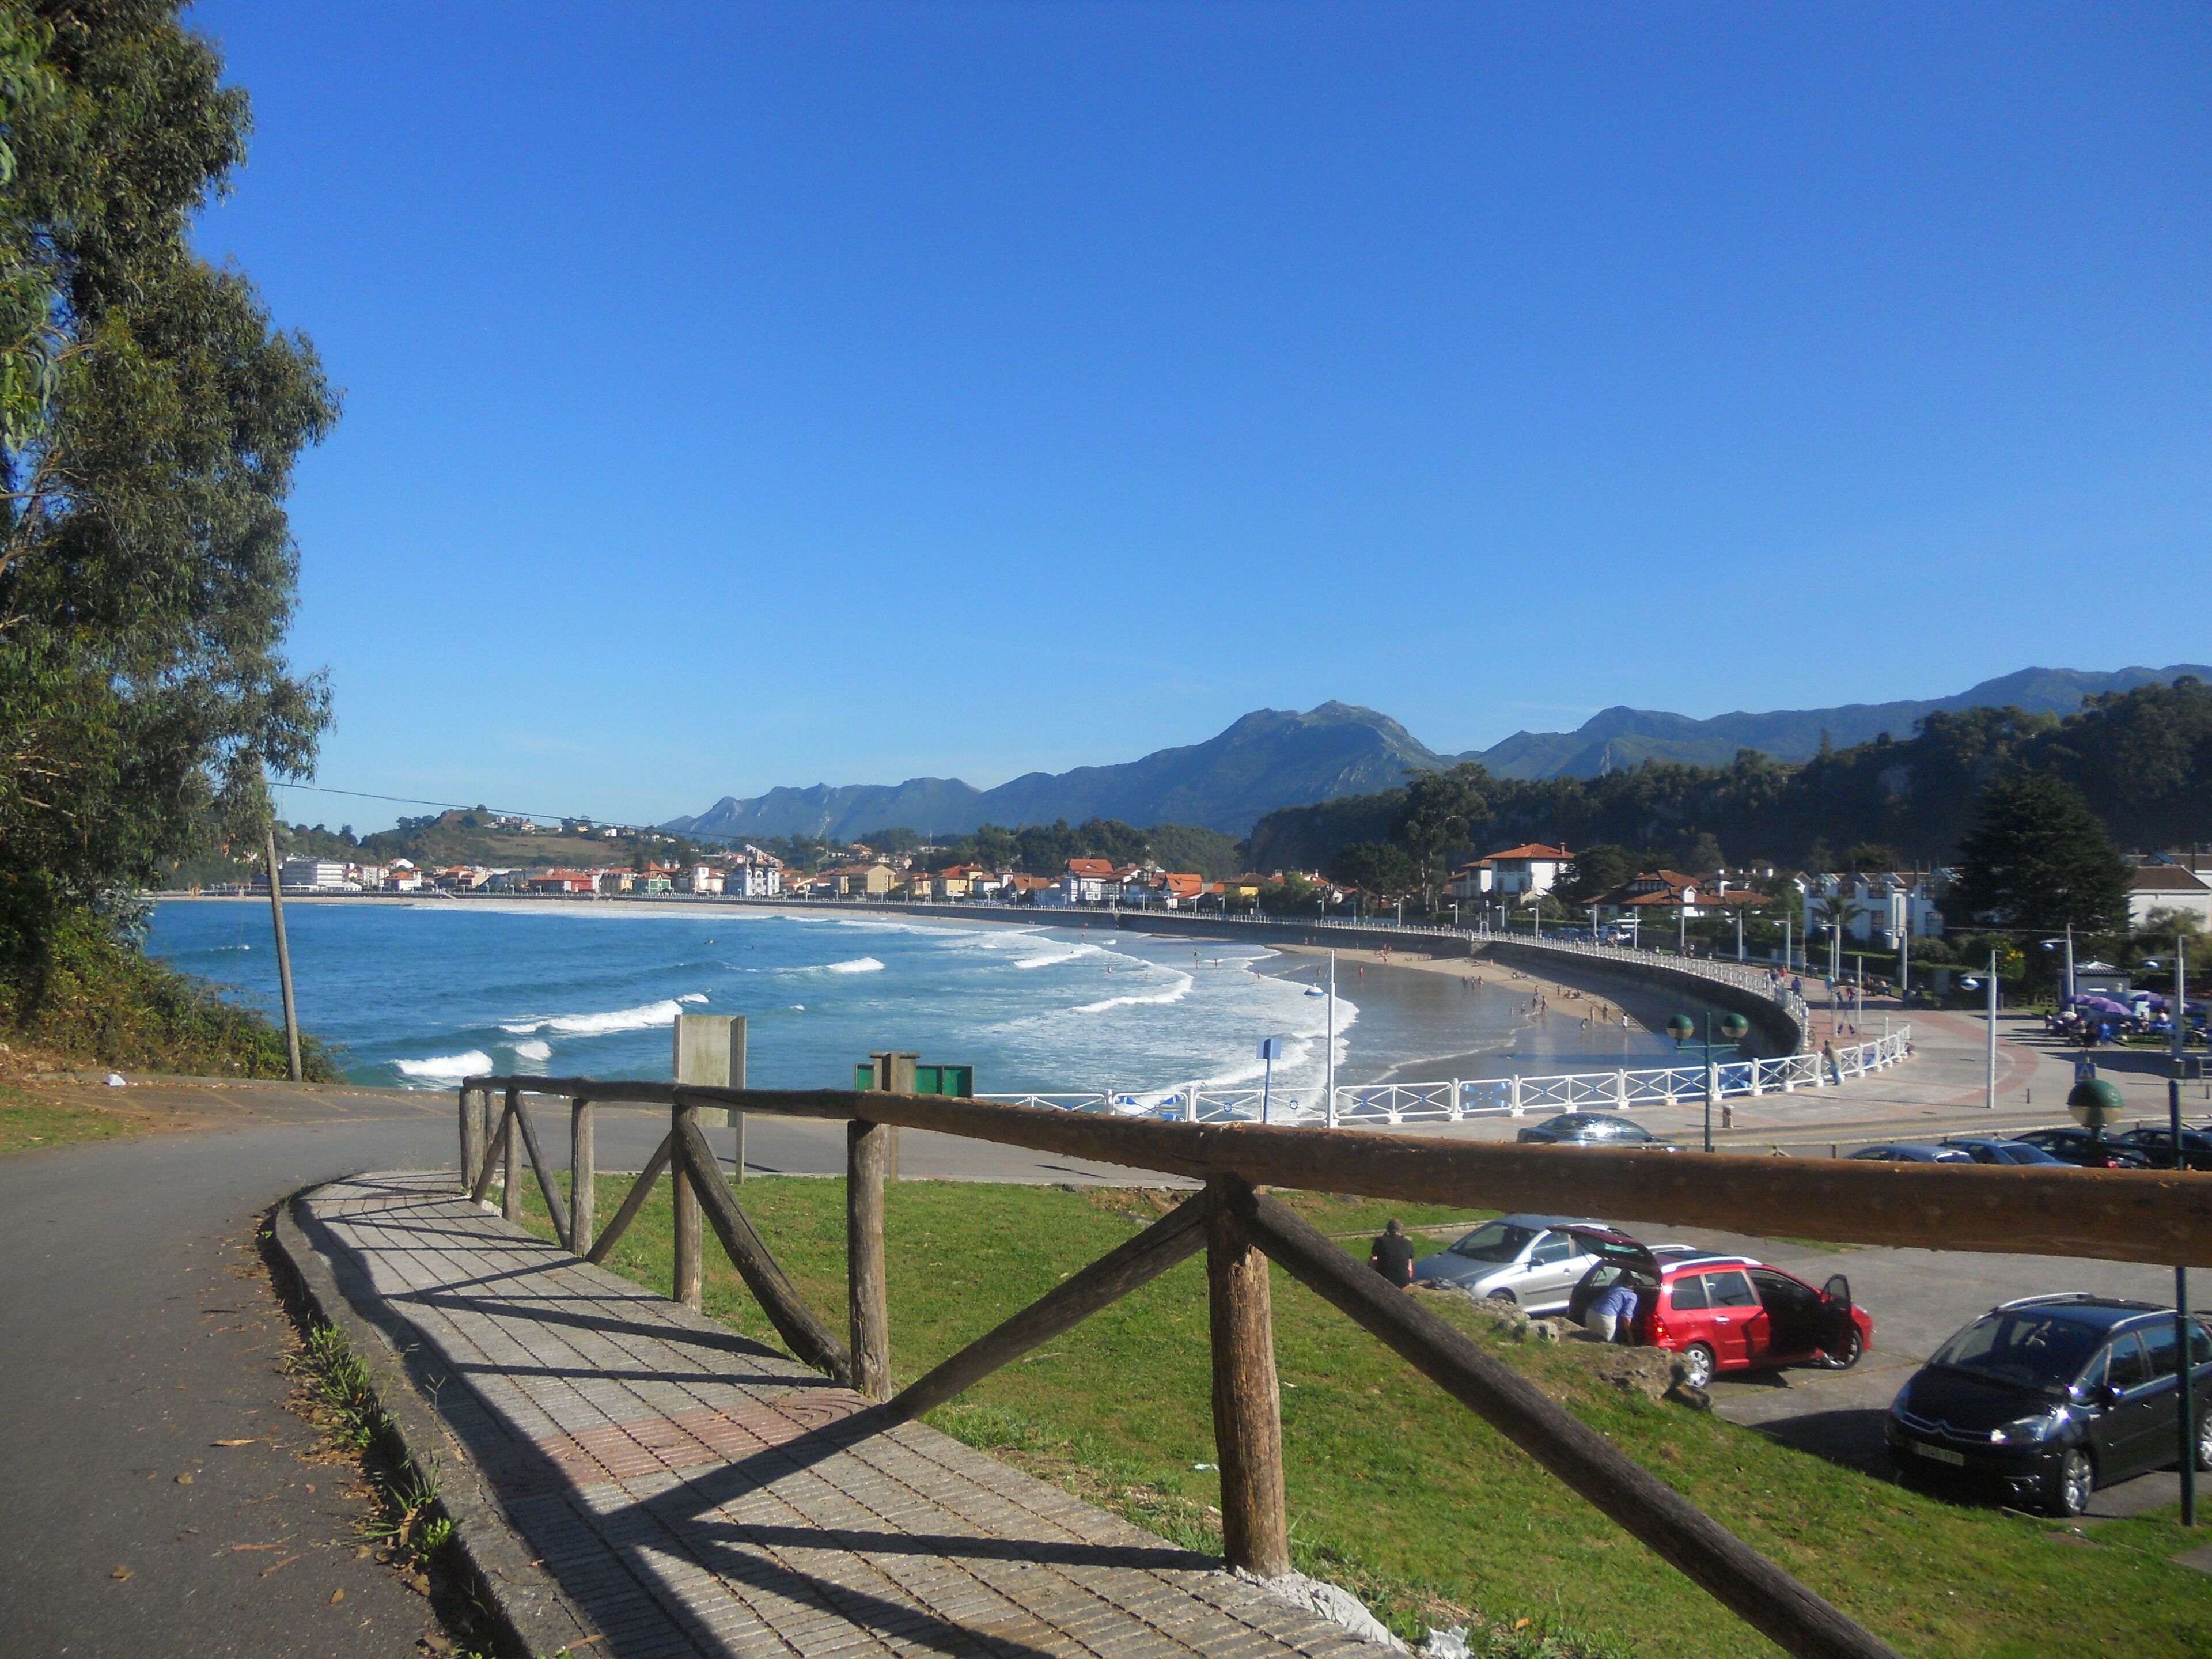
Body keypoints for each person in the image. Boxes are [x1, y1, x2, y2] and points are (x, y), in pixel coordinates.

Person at [1585, 1279, 1639, 1343]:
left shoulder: (1613, 1288)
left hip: (1591, 1313)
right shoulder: (1632, 1296)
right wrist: (1630, 1337)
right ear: (1633, 1286)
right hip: (1605, 1318)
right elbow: (1626, 1317)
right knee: (1608, 1344)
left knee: (1591, 1341)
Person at [1369, 1219, 1415, 1289]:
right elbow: (1411, 1256)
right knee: (1408, 1260)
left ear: (1388, 1229)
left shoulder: (1381, 1240)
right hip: (1403, 1282)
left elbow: (1374, 1253)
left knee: (1373, 1259)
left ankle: (1374, 1279)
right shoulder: (1408, 1243)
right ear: (1401, 1230)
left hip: (1384, 1279)